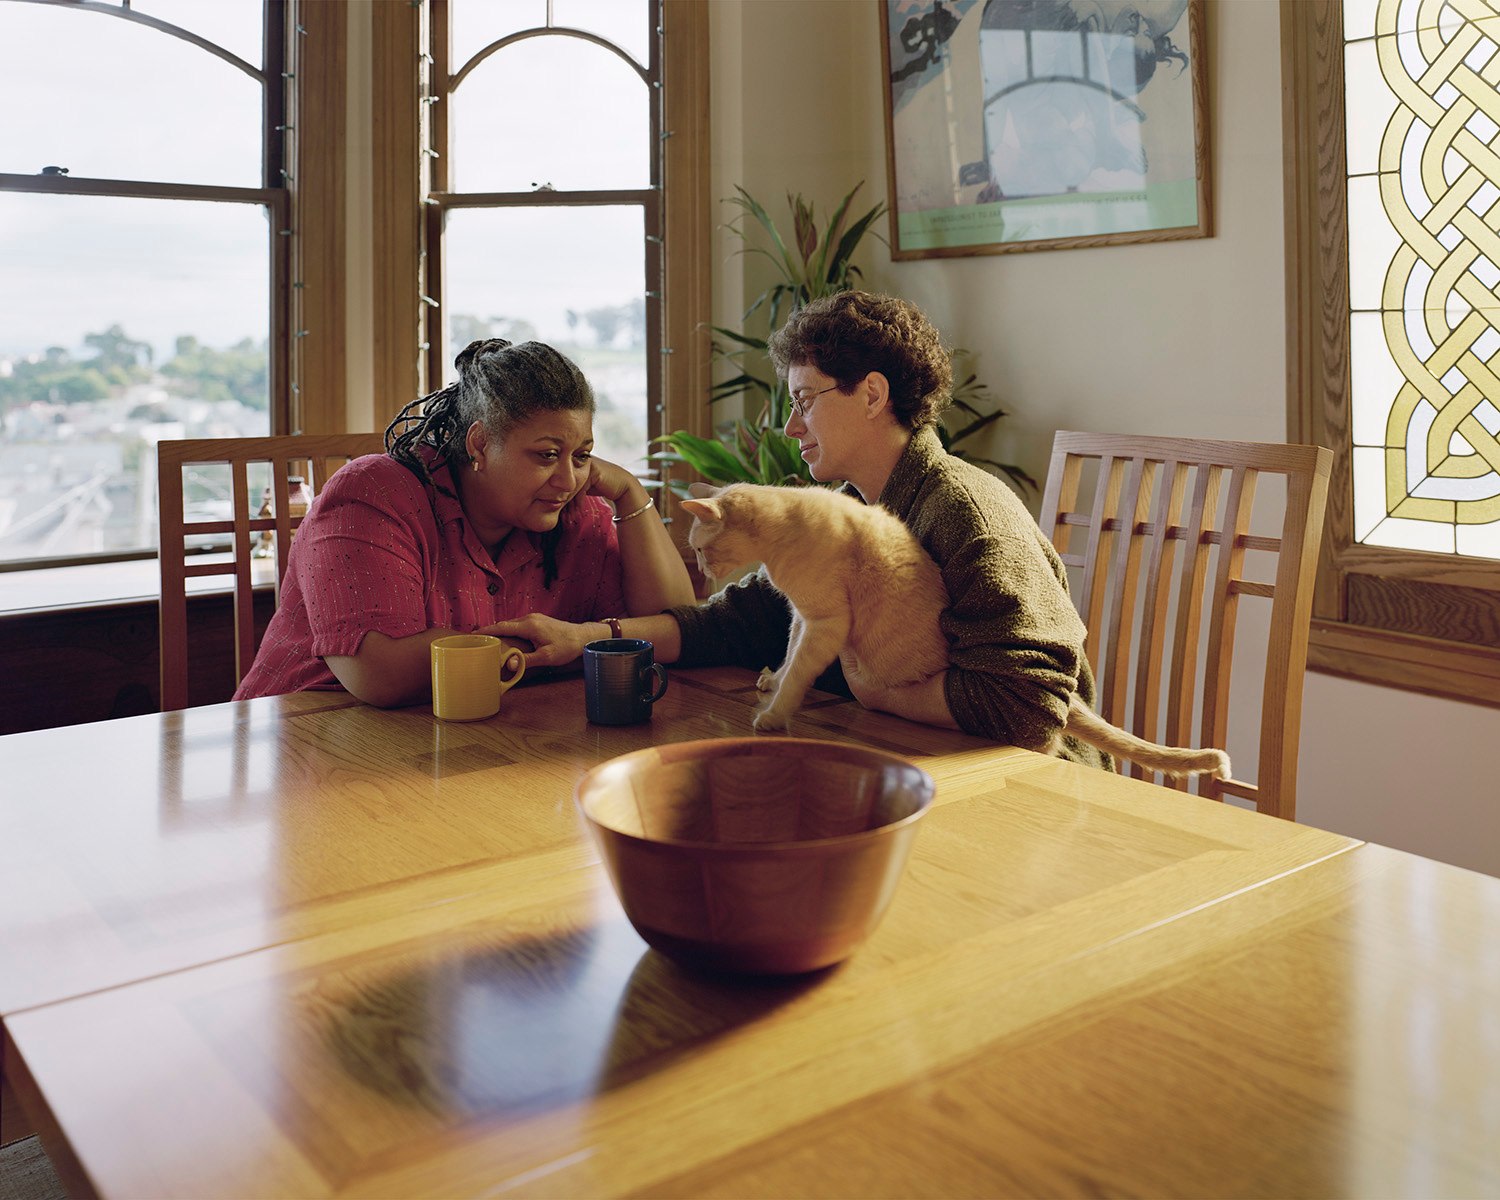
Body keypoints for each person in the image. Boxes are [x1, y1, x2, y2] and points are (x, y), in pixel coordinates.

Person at [494, 292, 1108, 768]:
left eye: (803, 400)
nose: (791, 428)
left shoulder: (965, 511)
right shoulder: (847, 513)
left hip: (1034, 790)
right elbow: (737, 625)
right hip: (918, 760)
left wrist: (879, 694)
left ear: (871, 394)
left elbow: (1029, 710)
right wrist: (586, 638)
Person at [234, 338, 694, 706]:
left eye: (582, 455)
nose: (568, 477)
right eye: (547, 454)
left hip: (472, 749)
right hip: (307, 739)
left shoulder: (576, 508)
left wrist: (631, 493)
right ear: (479, 445)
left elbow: (681, 628)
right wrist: (574, 644)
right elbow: (381, 675)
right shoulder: (373, 494)